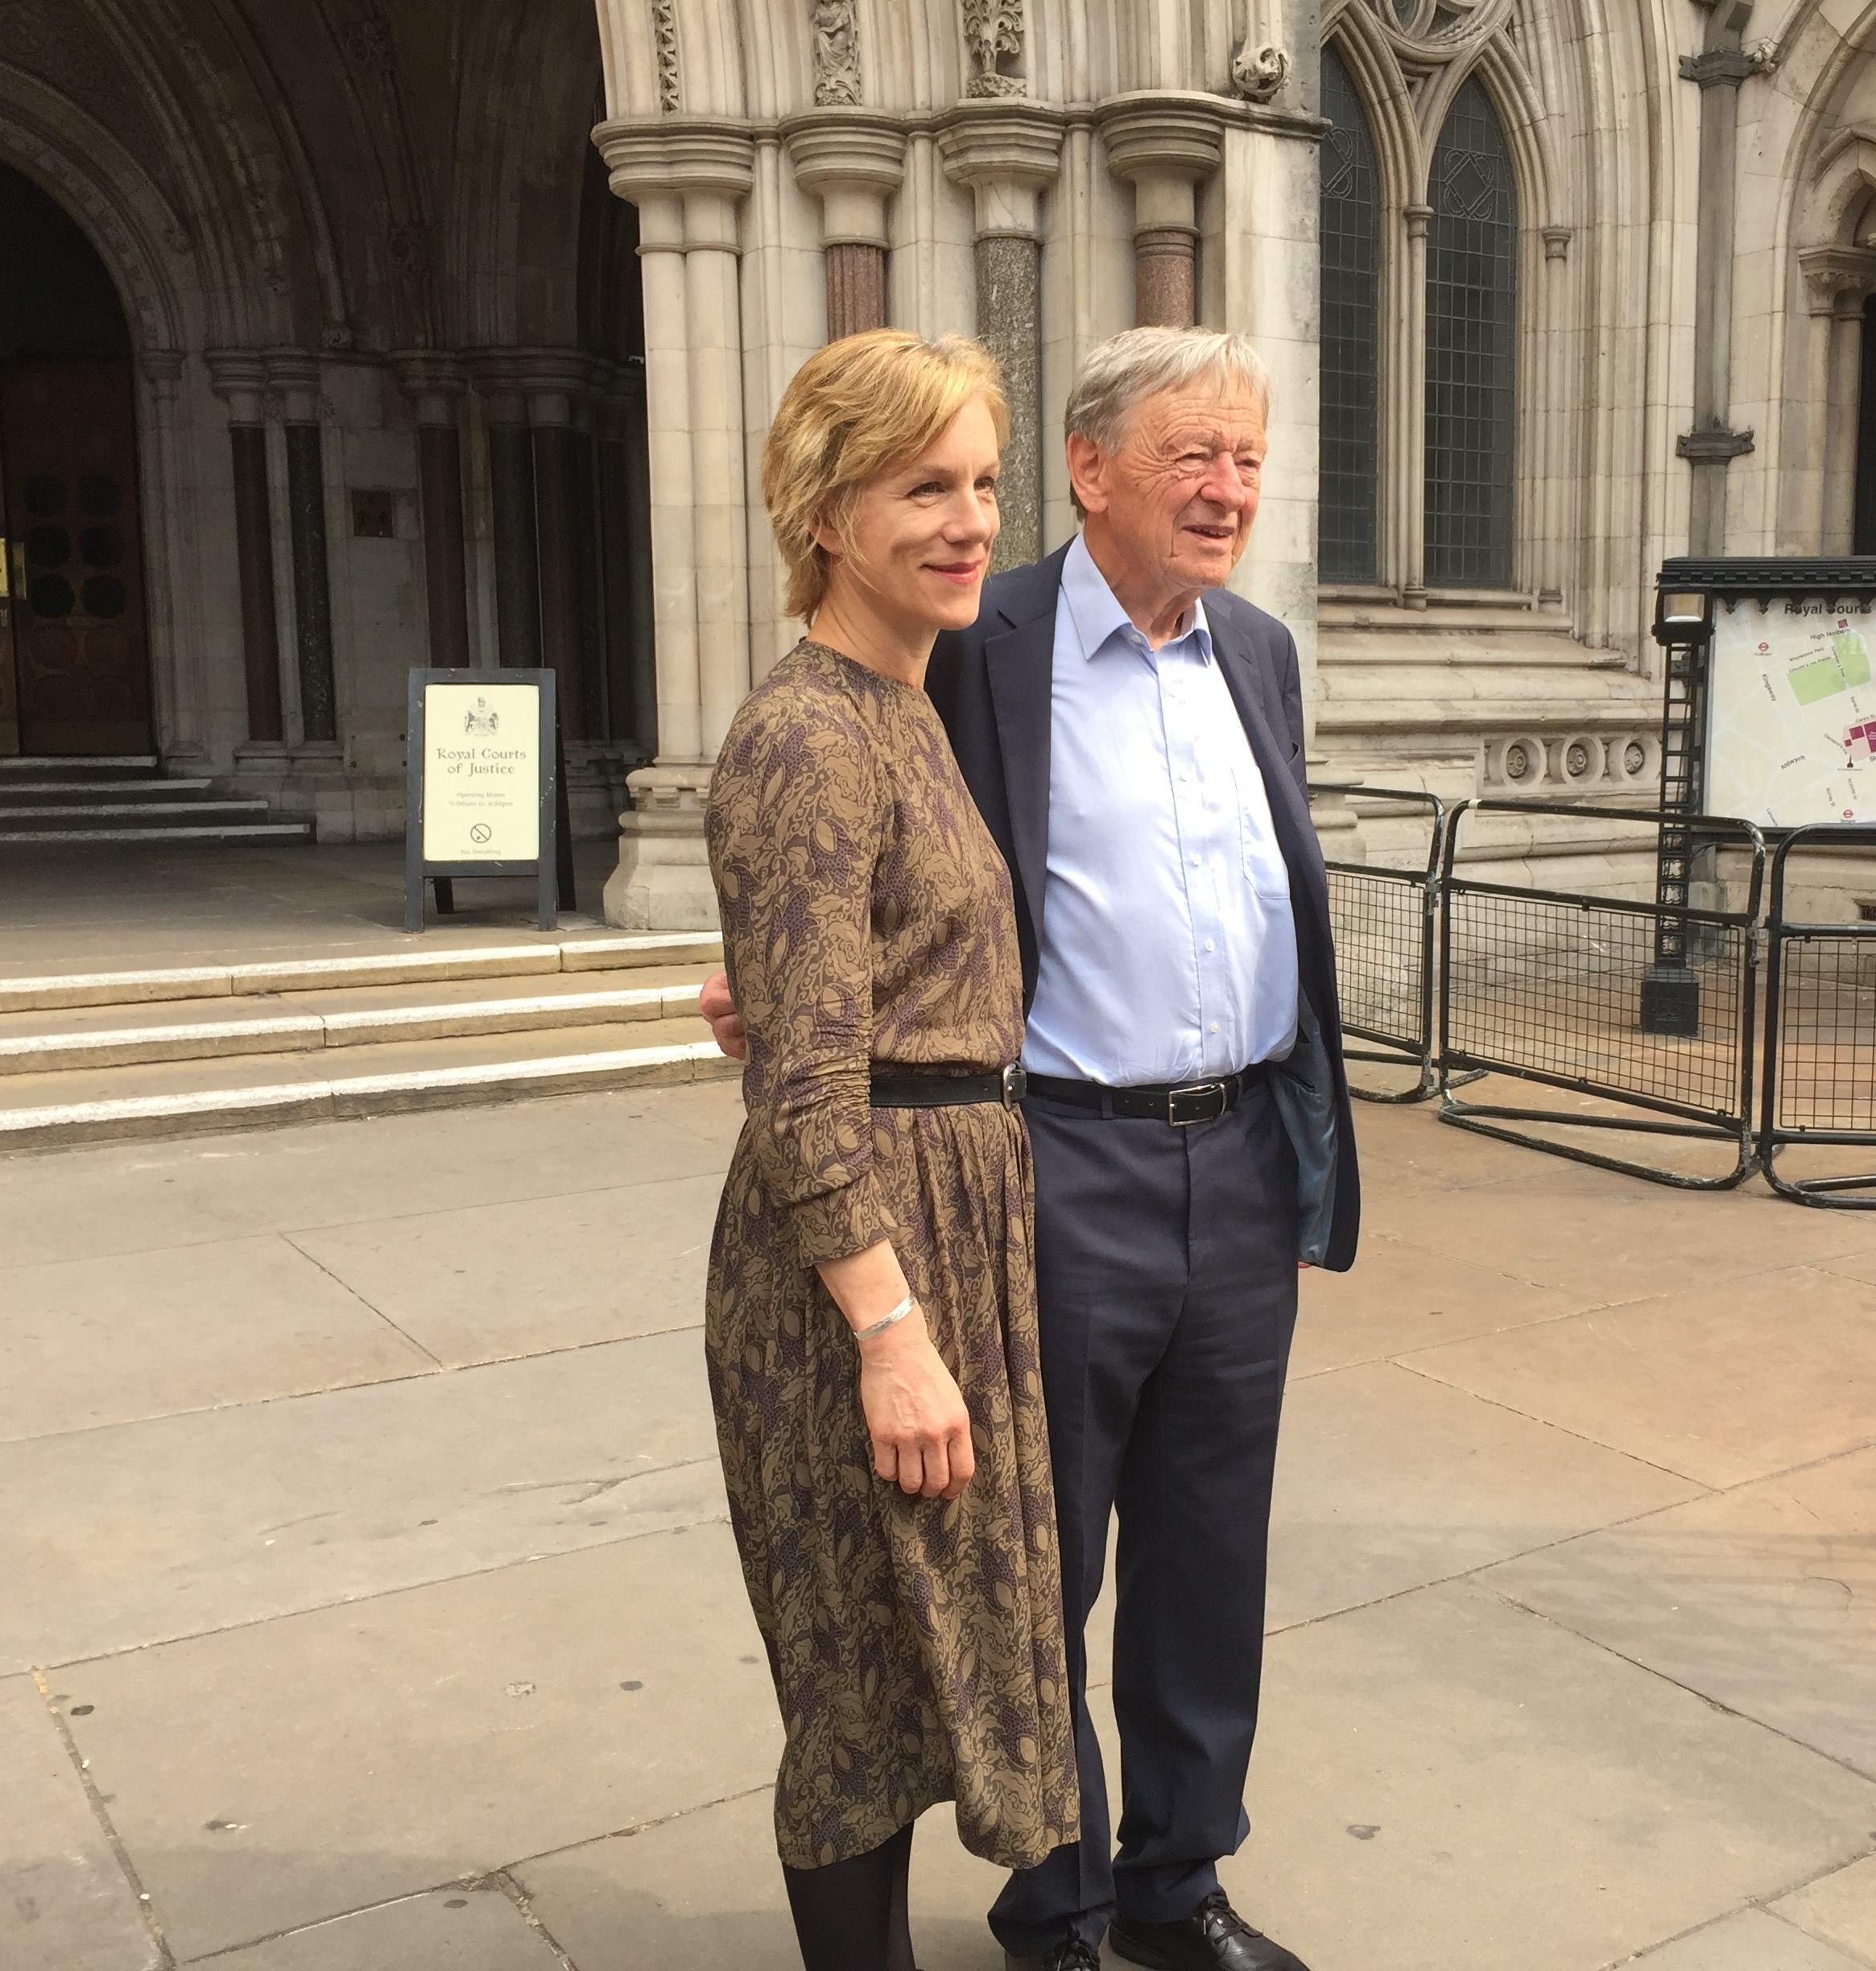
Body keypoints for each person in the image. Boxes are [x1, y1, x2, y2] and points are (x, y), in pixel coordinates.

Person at [700, 325, 1362, 1971]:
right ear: (1099, 470)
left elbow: (901, 899)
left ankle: (1177, 1886)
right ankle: (1052, 1898)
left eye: (1249, 458)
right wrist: (796, 1002)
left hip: (1241, 1161)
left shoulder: (1258, 653)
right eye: (1192, 455)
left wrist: (814, 982)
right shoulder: (971, 638)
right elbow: (831, 849)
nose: (1229, 490)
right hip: (1047, 1169)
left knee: (1211, 1556)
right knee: (1022, 1567)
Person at [703, 328, 1078, 1971]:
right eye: (923, 484)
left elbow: (858, 977)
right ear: (825, 505)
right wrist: (890, 1333)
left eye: (985, 484)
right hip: (861, 1255)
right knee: (859, 1674)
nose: (969, 519)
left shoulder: (905, 707)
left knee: (944, 1644)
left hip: (955, 1212)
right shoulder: (806, 732)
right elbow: (804, 1093)